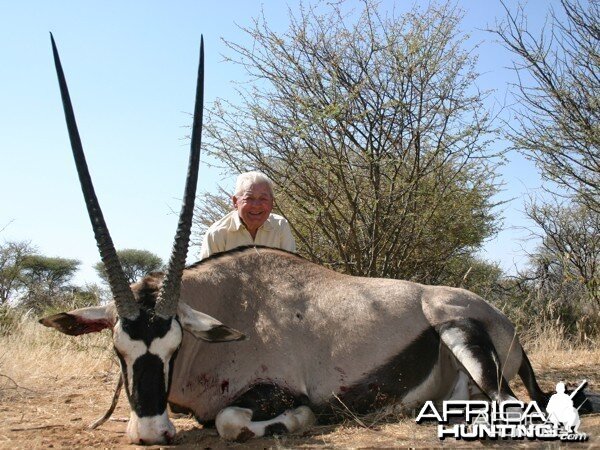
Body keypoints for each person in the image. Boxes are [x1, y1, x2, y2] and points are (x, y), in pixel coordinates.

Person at [199, 171, 296, 259]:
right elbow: (207, 277)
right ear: (235, 202)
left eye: (263, 199)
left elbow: (292, 270)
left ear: (272, 203)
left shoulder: (280, 226)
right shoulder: (217, 234)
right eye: (249, 198)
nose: (256, 205)